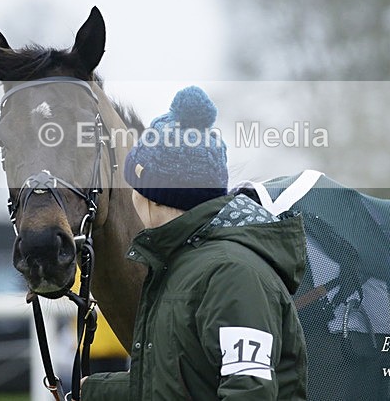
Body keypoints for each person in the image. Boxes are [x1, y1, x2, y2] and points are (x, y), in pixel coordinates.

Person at [81, 86, 308, 400]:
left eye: (135, 185)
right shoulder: (180, 265)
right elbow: (178, 383)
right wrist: (93, 393)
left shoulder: (232, 274)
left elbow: (248, 393)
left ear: (152, 197)